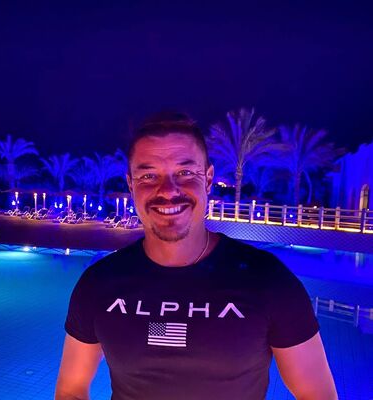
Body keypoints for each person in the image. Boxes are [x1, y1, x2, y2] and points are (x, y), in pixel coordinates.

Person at [55, 112, 337, 400]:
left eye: (185, 173)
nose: (168, 191)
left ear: (209, 180)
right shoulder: (99, 283)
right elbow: (70, 390)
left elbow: (318, 395)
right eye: (149, 176)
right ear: (131, 185)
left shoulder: (267, 280)